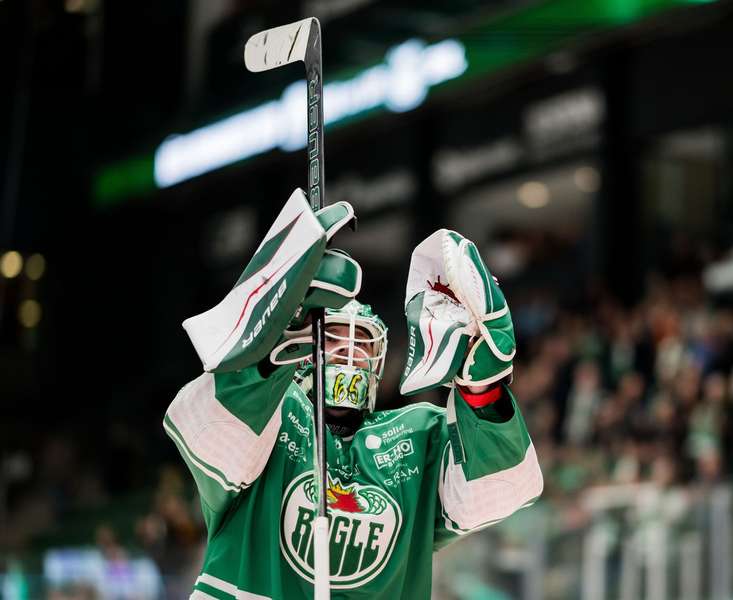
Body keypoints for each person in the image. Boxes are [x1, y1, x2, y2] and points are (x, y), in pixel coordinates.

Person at [164, 190, 543, 599]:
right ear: (305, 343)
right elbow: (207, 435)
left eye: (360, 342)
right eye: (334, 339)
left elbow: (501, 491)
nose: (349, 354)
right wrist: (268, 348)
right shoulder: (275, 416)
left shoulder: (417, 434)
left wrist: (481, 390)